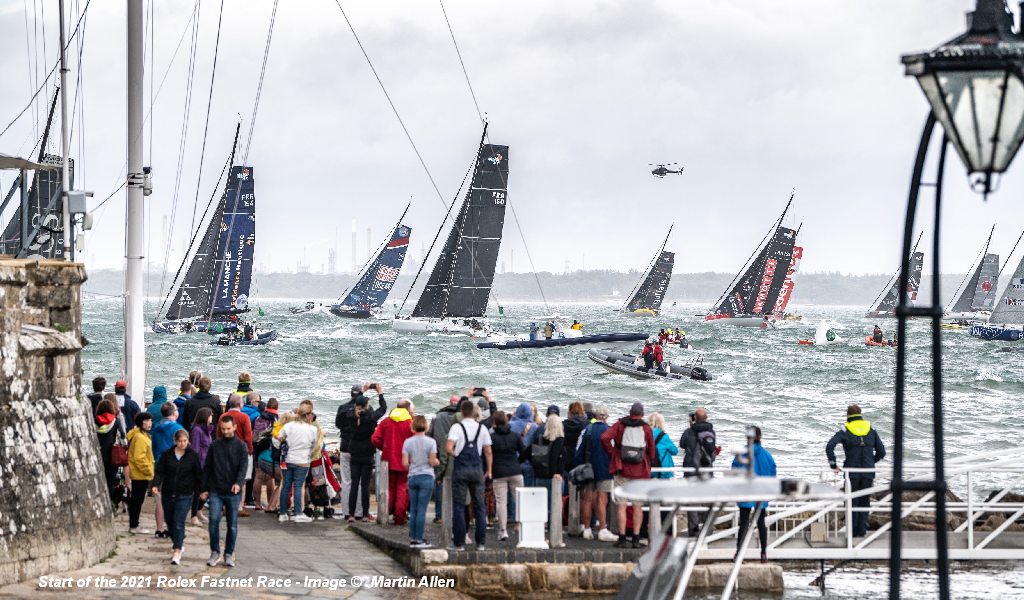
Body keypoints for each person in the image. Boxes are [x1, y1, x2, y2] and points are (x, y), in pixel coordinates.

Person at [601, 402, 656, 548]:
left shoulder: (620, 425)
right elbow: (651, 450)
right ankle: (636, 539)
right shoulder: (646, 428)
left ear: (630, 412)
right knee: (638, 506)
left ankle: (623, 538)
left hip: (622, 470)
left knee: (621, 505)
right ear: (642, 414)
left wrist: (613, 452)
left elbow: (605, 438)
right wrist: (648, 461)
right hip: (641, 472)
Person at [826, 404, 886, 538]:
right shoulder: (871, 429)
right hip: (868, 472)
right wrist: (871, 462)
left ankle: (852, 532)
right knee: (865, 501)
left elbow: (830, 446)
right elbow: (882, 452)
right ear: (861, 414)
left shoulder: (845, 430)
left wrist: (833, 464)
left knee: (852, 501)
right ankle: (862, 531)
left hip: (851, 473)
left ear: (848, 416)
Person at [201, 415, 248, 567]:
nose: (226, 432)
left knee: (232, 524)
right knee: (213, 521)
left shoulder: (241, 446)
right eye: (223, 429)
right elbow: (207, 467)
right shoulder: (215, 445)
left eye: (228, 429)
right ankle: (215, 552)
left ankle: (228, 553)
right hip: (216, 489)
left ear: (234, 427)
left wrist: (238, 483)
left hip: (233, 491)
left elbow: (243, 468)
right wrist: (204, 488)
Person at [446, 399, 493, 551]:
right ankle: (481, 543)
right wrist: (489, 470)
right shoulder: (482, 428)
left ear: (461, 412)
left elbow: (448, 448)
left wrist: (456, 454)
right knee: (480, 506)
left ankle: (459, 543)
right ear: (473, 412)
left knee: (459, 505)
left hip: (461, 469)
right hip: (477, 469)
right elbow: (488, 451)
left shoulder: (456, 427)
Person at [151, 429, 203, 565]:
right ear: (175, 441)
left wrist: (202, 490)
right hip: (168, 492)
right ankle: (178, 541)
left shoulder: (193, 455)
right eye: (180, 441)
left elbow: (198, 474)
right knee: (170, 521)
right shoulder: (167, 455)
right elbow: (160, 471)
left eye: (185, 441)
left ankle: (177, 550)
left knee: (179, 522)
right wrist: (156, 484)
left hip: (185, 494)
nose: (182, 444)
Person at [336, 384, 385, 519]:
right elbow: (383, 409)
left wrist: (361, 393)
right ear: (366, 404)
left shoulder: (347, 412)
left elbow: (338, 423)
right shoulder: (370, 416)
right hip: (366, 452)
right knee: (364, 485)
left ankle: (348, 512)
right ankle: (362, 513)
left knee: (349, 482)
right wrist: (379, 393)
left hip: (349, 448)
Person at [731, 426, 776, 562]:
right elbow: (773, 475)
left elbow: (734, 473)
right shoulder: (767, 456)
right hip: (761, 494)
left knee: (743, 523)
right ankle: (763, 554)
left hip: (745, 493)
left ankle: (739, 553)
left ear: (747, 438)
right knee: (761, 523)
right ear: (760, 437)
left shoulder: (742, 454)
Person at [576, 404, 617, 542]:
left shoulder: (587, 429)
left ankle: (587, 529)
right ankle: (602, 529)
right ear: (606, 417)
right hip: (605, 470)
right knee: (602, 500)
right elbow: (614, 451)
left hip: (588, 469)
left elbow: (578, 451)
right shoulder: (610, 431)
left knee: (587, 499)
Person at [372, 397, 414, 526]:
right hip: (404, 461)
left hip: (387, 460)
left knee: (388, 488)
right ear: (407, 409)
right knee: (402, 489)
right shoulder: (410, 423)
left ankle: (385, 513)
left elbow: (375, 439)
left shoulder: (386, 421)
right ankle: (399, 517)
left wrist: (384, 447)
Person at [276, 402, 319, 523]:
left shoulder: (289, 426)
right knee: (298, 486)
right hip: (303, 460)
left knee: (286, 486)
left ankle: (283, 513)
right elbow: (313, 444)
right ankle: (298, 513)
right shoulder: (312, 429)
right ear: (308, 415)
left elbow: (278, 439)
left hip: (288, 459)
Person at [402, 414, 439, 548]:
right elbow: (432, 461)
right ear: (426, 426)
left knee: (414, 509)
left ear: (413, 426)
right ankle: (419, 539)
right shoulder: (431, 442)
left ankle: (412, 537)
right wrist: (437, 462)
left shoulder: (407, 442)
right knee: (422, 510)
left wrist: (414, 465)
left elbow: (405, 463)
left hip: (413, 476)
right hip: (426, 476)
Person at [524, 414, 565, 532]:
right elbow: (559, 459)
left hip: (539, 475)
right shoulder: (560, 440)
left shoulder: (540, 439)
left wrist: (535, 464)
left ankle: (541, 527)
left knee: (540, 504)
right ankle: (554, 528)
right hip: (554, 477)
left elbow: (526, 453)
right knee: (555, 505)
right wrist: (558, 472)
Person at [680, 408, 718, 535]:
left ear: (694, 418)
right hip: (707, 469)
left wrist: (691, 426)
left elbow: (682, 444)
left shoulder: (689, 431)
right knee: (707, 499)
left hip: (692, 469)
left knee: (692, 500)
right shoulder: (711, 432)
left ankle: (694, 529)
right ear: (706, 418)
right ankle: (708, 528)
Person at [490, 411, 524, 542]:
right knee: (519, 500)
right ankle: (521, 525)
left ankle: (503, 530)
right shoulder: (515, 436)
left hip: (499, 472)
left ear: (495, 422)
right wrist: (517, 462)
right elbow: (523, 452)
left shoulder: (492, 438)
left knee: (501, 501)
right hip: (515, 470)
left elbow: (488, 454)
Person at [428, 395, 462, 523]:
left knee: (439, 482)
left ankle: (439, 515)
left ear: (449, 402)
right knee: (458, 485)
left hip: (439, 453)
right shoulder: (461, 418)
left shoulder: (438, 416)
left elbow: (429, 434)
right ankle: (455, 514)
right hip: (456, 454)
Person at [151, 401, 183, 537]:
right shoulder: (177, 428)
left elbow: (153, 447)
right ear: (173, 412)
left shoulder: (156, 428)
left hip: (159, 464)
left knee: (159, 498)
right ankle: (171, 526)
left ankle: (159, 528)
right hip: (174, 465)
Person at [218, 394, 254, 515]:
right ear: (240, 404)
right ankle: (237, 506)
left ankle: (224, 505)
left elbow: (218, 434)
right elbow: (248, 436)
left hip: (224, 450)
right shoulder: (244, 417)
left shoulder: (223, 416)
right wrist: (250, 450)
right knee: (240, 479)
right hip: (241, 452)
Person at [126, 412, 154, 534]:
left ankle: (134, 523)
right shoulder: (140, 438)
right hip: (140, 474)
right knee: (137, 500)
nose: (150, 423)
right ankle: (134, 525)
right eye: (147, 421)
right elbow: (139, 458)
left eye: (150, 420)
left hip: (139, 473)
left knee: (136, 499)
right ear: (141, 423)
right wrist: (148, 470)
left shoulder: (141, 435)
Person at [252, 398, 280, 512]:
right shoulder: (276, 419)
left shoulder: (259, 417)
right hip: (268, 450)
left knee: (258, 476)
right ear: (277, 408)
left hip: (258, 448)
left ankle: (257, 504)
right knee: (270, 478)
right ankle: (270, 503)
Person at [189, 407, 215, 526]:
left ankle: (199, 510)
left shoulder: (207, 430)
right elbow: (195, 448)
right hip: (199, 465)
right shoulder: (197, 430)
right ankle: (193, 515)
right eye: (210, 415)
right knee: (197, 491)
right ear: (205, 416)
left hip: (208, 465)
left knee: (207, 489)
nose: (212, 417)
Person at [95, 397, 120, 505]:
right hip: (112, 457)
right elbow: (122, 437)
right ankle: (109, 505)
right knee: (110, 482)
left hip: (97, 456)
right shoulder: (116, 421)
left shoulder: (94, 421)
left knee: (97, 482)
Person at [648, 412, 678, 479]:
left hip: (648, 469)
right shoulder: (664, 436)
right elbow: (675, 451)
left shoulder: (645, 435)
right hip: (663, 470)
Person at [563, 402, 588, 472]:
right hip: (579, 458)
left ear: (570, 412)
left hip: (565, 458)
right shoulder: (585, 425)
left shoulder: (563, 424)